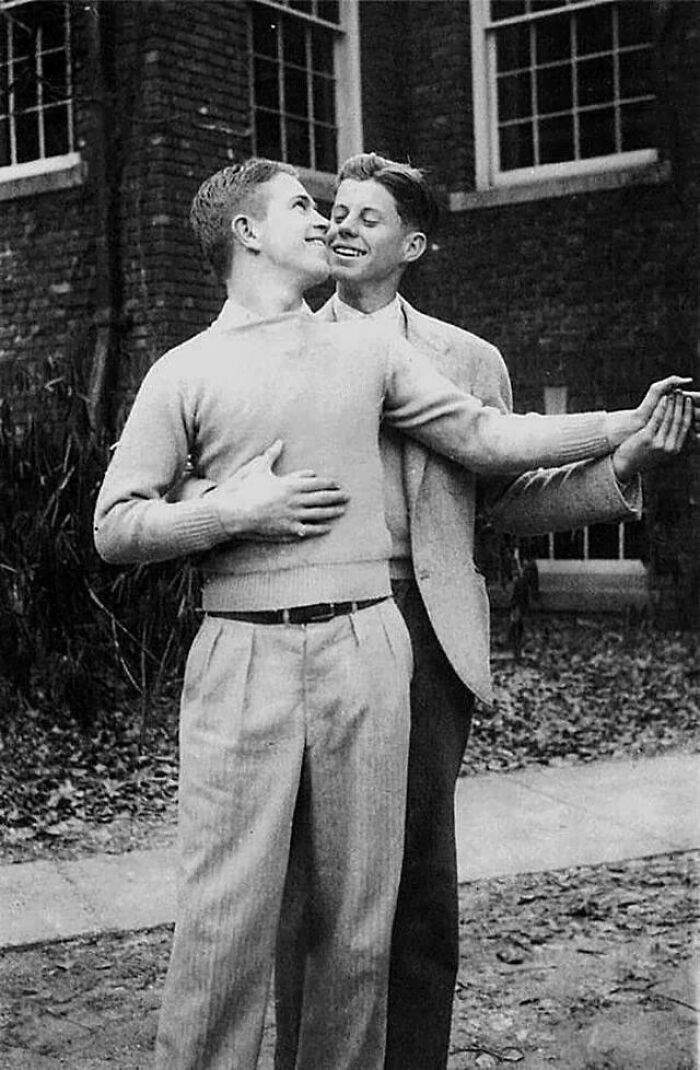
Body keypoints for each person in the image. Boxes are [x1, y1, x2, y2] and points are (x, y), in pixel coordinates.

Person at [93, 158, 693, 1070]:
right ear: (247, 234)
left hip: (385, 641)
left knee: (372, 918)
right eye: (310, 206)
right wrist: (230, 512)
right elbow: (119, 522)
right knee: (233, 919)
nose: (330, 222)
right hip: (249, 648)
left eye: (348, 212)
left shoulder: (397, 354)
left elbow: (492, 451)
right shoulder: (189, 370)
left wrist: (623, 433)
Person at [270, 153, 698, 1070]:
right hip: (310, 623)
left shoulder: (466, 359)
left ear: (413, 244)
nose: (342, 227)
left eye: (368, 218)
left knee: (419, 867)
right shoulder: (274, 341)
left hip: (425, 628)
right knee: (313, 872)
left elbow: (503, 501)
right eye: (334, 212)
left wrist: (624, 468)